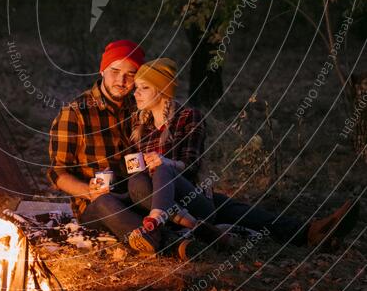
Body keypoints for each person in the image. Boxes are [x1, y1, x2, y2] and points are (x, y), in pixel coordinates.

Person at [127, 57, 360, 252]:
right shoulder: (141, 127)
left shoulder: (189, 117)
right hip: (161, 200)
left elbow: (192, 165)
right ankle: (308, 233)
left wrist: (165, 162)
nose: (136, 93)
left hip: (190, 195)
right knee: (234, 210)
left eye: (144, 87)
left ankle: (311, 231)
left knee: (175, 176)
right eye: (136, 87)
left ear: (163, 89)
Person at [47, 40, 186, 256]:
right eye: (114, 71)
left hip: (139, 194)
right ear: (102, 70)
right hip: (99, 204)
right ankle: (175, 241)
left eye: (130, 74)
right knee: (106, 202)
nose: (121, 80)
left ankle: (178, 225)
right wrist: (88, 191)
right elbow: (58, 172)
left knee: (149, 186)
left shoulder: (140, 106)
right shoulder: (76, 112)